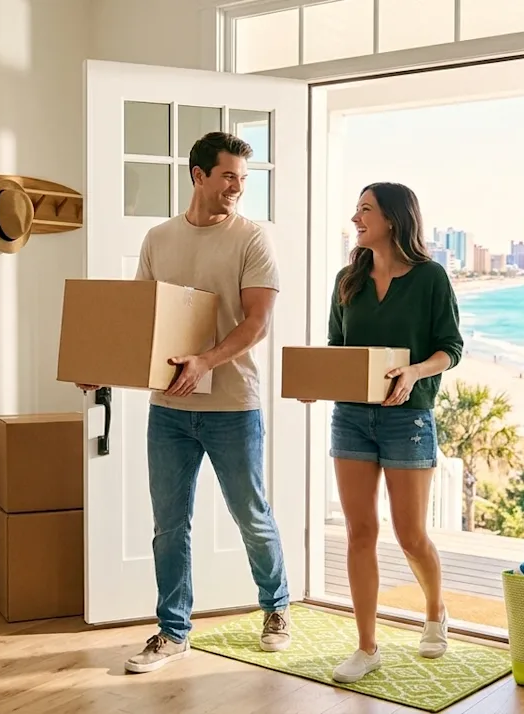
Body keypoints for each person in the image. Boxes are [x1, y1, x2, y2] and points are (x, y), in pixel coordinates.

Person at [76, 131, 291, 674]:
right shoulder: (158, 239)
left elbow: (257, 323)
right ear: (198, 175)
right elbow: (140, 322)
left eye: (244, 179)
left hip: (233, 404)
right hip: (168, 410)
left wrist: (205, 361)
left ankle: (276, 607)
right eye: (228, 177)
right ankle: (172, 632)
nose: (237, 188)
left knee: (252, 516)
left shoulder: (252, 238)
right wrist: (100, 369)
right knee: (169, 524)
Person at [300, 182, 463, 684]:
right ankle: (367, 646)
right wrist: (317, 381)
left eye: (365, 209)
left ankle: (435, 610)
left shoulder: (431, 278)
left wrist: (414, 372)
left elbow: (450, 348)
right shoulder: (347, 279)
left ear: (393, 218)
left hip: (407, 418)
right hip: (351, 417)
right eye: (356, 210)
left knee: (410, 535)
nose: (355, 218)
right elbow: (335, 346)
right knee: (359, 532)